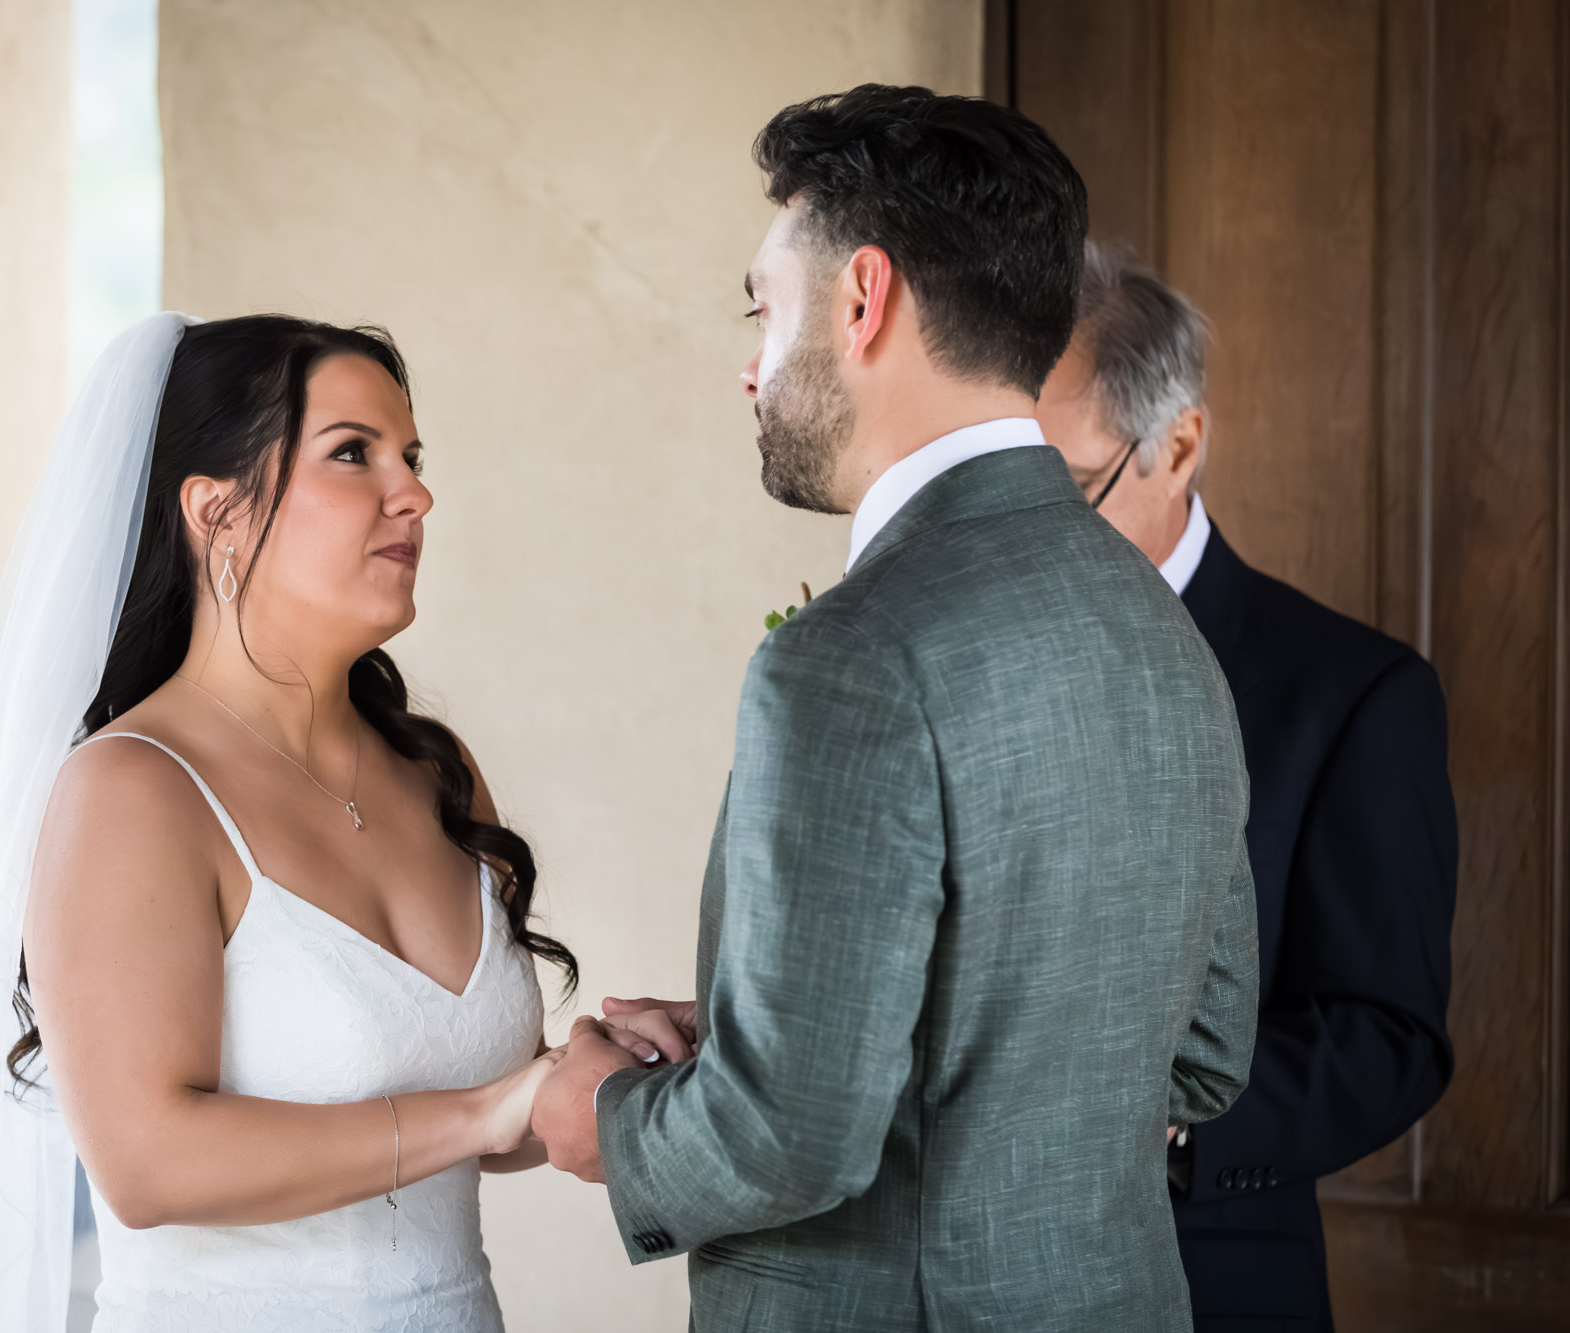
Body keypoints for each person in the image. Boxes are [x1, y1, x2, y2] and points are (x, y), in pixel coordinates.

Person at [530, 85, 1260, 1331]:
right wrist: (764, 1020)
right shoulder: (1162, 632)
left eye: (762, 305)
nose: (748, 362)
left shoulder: (852, 654)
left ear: (862, 299)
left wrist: (598, 1116)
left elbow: (789, 1143)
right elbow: (1197, 1049)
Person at [0, 314, 570, 1333]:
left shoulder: (433, 771)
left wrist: (597, 1076)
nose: (415, 493)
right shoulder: (133, 789)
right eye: (353, 452)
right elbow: (147, 1163)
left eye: (412, 456)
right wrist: (488, 1110)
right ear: (215, 513)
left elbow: (482, 1117)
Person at [1035, 242, 1457, 1333]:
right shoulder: (940, 658)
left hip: (1205, 1283)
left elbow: (1384, 1038)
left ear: (1177, 445)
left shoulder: (1353, 693)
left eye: (1065, 491)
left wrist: (1152, 1120)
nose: (1019, 539)